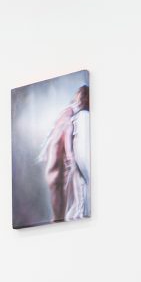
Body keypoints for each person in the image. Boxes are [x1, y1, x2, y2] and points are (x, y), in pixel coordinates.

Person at [39, 81, 90, 222]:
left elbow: (62, 132)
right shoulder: (71, 113)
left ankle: (59, 219)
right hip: (58, 161)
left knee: (61, 197)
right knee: (61, 192)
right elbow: (67, 130)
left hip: (57, 161)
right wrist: (69, 155)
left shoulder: (71, 114)